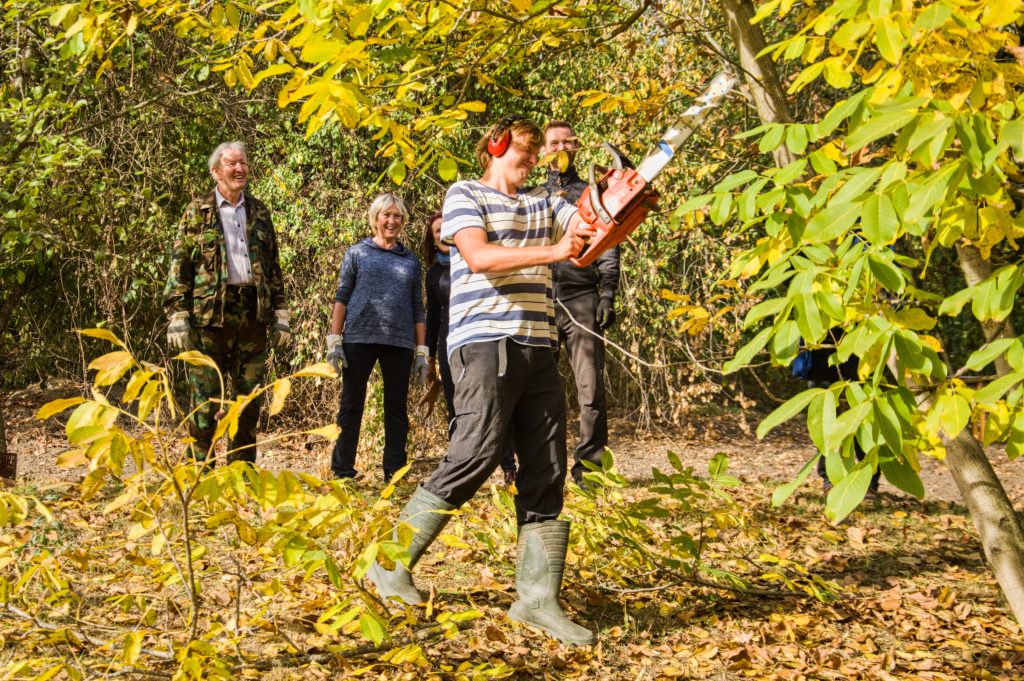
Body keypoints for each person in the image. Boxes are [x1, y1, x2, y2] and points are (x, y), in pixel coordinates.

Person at [368, 116, 598, 646]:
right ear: (496, 147)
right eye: (525, 149)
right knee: (476, 449)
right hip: (483, 341)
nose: (533, 159)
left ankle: (537, 599)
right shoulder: (464, 194)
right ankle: (389, 561)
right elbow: (480, 256)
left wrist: (610, 203)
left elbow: (587, 229)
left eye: (539, 153)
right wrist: (556, 251)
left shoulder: (546, 202)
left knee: (546, 465)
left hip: (538, 343)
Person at [163, 141, 290, 465]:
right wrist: (177, 312)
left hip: (253, 316)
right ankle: (200, 477)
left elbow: (273, 265)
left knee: (248, 404)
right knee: (205, 405)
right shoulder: (197, 211)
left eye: (244, 163)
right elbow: (180, 265)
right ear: (215, 171)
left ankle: (241, 475)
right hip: (209, 320)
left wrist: (281, 311)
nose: (240, 169)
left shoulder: (259, 211)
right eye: (232, 164)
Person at [326, 193, 428, 483]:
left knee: (396, 408)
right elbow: (342, 296)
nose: (392, 221)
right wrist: (335, 338)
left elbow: (418, 306)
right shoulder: (357, 253)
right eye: (387, 215)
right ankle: (342, 471)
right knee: (351, 404)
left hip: (399, 342)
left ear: (403, 221)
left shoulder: (410, 260)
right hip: (359, 336)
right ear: (375, 219)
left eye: (397, 216)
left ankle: (394, 473)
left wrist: (422, 349)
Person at [543, 120, 620, 485]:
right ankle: (543, 467)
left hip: (582, 296)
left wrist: (607, 292)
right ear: (542, 150)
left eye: (567, 142)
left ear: (576, 147)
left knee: (590, 390)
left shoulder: (591, 193)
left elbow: (608, 243)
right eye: (553, 143)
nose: (560, 148)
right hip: (539, 302)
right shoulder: (529, 195)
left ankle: (588, 468)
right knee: (538, 393)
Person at [421, 211, 517, 484]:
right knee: (456, 406)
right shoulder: (434, 274)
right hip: (448, 344)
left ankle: (508, 467)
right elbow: (432, 316)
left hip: (481, 340)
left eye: (445, 229)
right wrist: (428, 356)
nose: (442, 235)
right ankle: (458, 470)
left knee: (493, 403)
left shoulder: (474, 262)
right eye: (436, 232)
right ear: (432, 239)